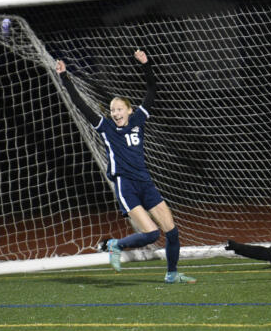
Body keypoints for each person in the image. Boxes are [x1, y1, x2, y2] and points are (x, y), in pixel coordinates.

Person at [55, 50, 196, 284]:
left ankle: (172, 274)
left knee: (171, 231)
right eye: (112, 110)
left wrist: (146, 64)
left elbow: (152, 90)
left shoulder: (139, 119)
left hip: (145, 182)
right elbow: (80, 104)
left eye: (119, 109)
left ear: (130, 111)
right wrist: (64, 77)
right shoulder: (106, 127)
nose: (115, 113)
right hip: (126, 185)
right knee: (151, 234)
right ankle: (115, 245)